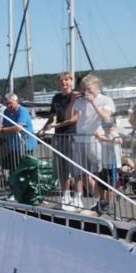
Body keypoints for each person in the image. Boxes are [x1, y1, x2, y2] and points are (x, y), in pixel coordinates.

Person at [70, 74, 115, 210]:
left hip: (97, 140)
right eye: (84, 89)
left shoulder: (106, 100)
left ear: (96, 86)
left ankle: (107, 202)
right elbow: (70, 117)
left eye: (89, 89)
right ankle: (98, 200)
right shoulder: (80, 101)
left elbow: (105, 116)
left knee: (101, 174)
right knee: (82, 174)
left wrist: (93, 102)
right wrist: (72, 101)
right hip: (80, 140)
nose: (86, 92)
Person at [39, 73, 77, 205]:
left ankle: (77, 196)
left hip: (73, 135)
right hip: (59, 135)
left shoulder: (75, 96)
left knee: (75, 168)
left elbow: (74, 118)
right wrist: (44, 128)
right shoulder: (56, 98)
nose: (64, 83)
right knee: (62, 167)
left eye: (66, 80)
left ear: (71, 81)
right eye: (61, 81)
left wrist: (56, 124)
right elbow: (52, 116)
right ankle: (65, 194)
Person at [0, 92, 37, 188]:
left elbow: (18, 128)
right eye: (7, 104)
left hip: (25, 144)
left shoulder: (22, 111)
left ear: (16, 101)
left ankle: (24, 188)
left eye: (10, 103)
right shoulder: (7, 111)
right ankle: (8, 183)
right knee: (9, 165)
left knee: (23, 168)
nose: (8, 106)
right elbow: (5, 124)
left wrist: (1, 129)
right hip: (13, 145)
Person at [94, 119, 122, 214]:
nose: (106, 128)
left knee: (111, 186)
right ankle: (103, 202)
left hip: (113, 164)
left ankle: (111, 204)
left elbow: (119, 140)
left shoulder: (114, 134)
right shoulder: (102, 134)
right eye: (105, 126)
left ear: (113, 127)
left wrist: (105, 139)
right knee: (101, 184)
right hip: (104, 164)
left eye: (108, 126)